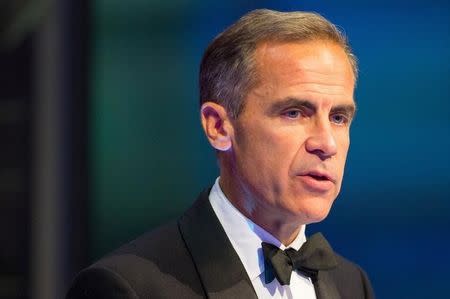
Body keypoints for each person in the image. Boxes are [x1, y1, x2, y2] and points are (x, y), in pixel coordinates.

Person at [67, 9, 375, 299]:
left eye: (338, 117)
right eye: (294, 113)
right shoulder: (127, 287)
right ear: (218, 127)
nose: (327, 143)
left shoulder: (351, 284)